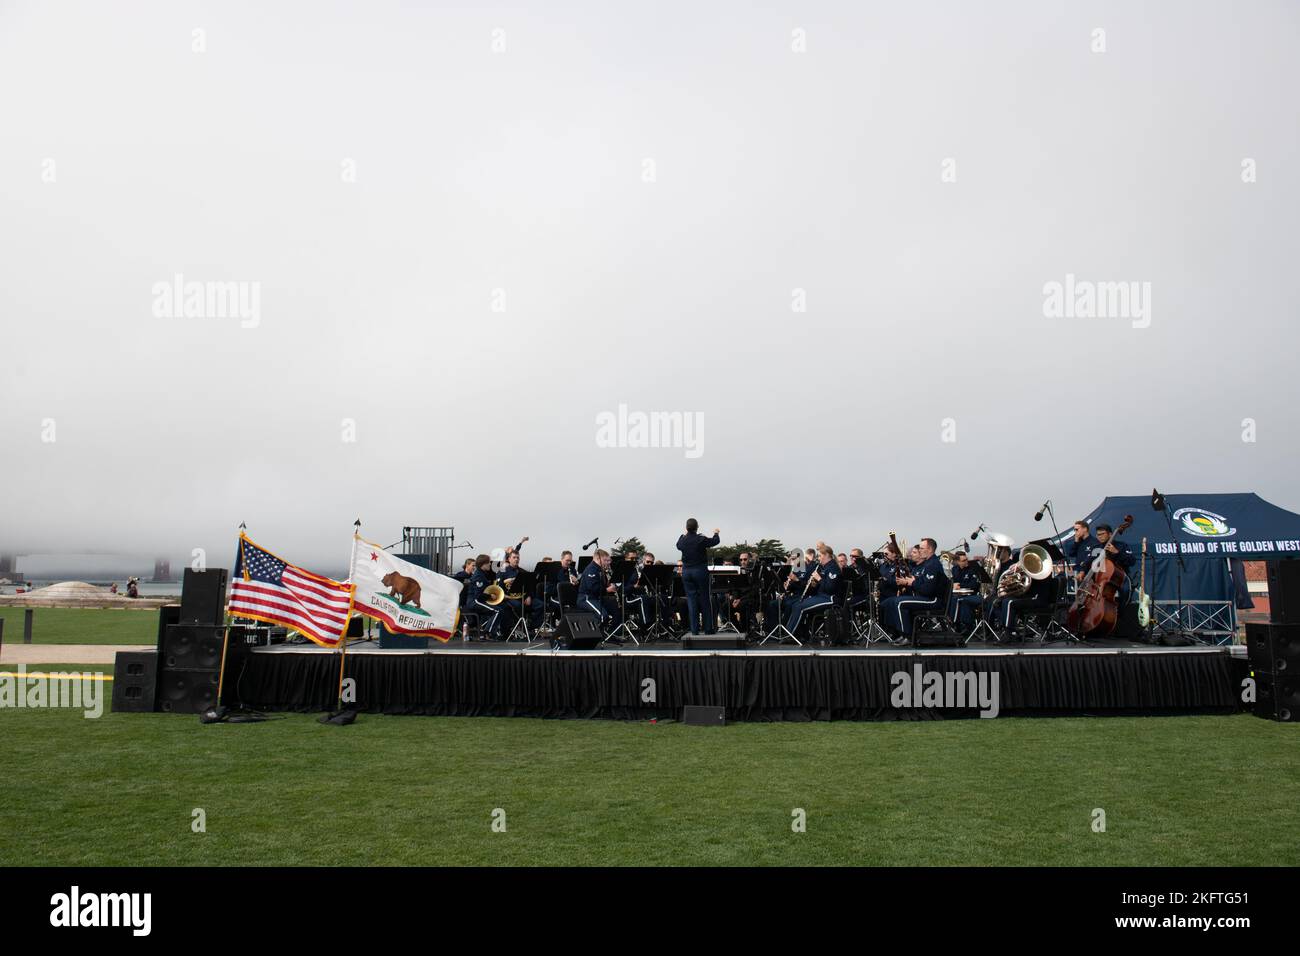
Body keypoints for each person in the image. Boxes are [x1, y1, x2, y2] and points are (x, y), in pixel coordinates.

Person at [878, 538, 944, 639]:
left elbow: (928, 590)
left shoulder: (933, 564)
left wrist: (912, 582)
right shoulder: (928, 563)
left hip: (932, 599)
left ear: (930, 549)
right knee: (891, 601)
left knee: (899, 603)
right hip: (924, 596)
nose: (920, 550)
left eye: (921, 548)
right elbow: (921, 583)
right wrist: (912, 581)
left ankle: (907, 636)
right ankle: (895, 632)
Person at [786, 542, 842, 637]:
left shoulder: (833, 568)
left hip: (830, 598)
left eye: (820, 556)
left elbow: (830, 589)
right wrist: (813, 584)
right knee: (796, 604)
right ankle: (793, 633)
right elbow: (819, 587)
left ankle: (791, 635)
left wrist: (819, 579)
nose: (818, 558)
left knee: (799, 607)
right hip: (821, 596)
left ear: (827, 555)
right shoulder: (823, 567)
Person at [676, 518, 720, 635]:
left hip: (686, 573)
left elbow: (678, 545)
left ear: (686, 528)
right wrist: (716, 533)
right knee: (705, 599)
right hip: (700, 571)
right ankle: (708, 628)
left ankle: (694, 630)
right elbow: (715, 541)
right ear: (697, 527)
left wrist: (683, 534)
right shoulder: (700, 539)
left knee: (691, 600)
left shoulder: (683, 540)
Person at [577, 548, 622, 634]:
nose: (608, 563)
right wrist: (607, 589)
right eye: (605, 560)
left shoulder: (600, 569)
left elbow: (602, 585)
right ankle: (591, 636)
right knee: (603, 616)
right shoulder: (591, 569)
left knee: (617, 611)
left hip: (597, 598)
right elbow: (593, 588)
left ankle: (611, 634)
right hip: (586, 598)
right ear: (598, 559)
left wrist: (610, 585)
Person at [947, 552, 983, 632]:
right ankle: (950, 620)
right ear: (958, 562)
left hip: (972, 593)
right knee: (948, 597)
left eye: (966, 559)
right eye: (963, 560)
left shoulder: (973, 568)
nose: (966, 561)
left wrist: (959, 585)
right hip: (959, 593)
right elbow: (953, 582)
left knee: (958, 600)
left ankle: (955, 623)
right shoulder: (955, 569)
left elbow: (974, 585)